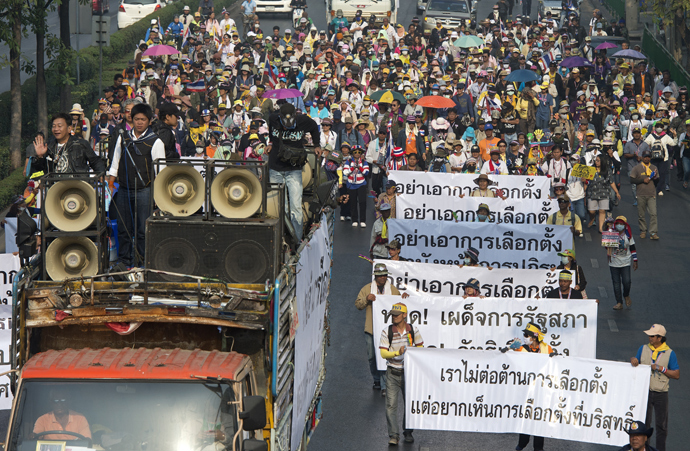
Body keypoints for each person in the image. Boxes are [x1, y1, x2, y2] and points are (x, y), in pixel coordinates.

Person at [109, 103, 165, 268]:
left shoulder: (155, 141)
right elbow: (115, 162)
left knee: (143, 230)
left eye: (143, 119)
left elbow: (161, 171)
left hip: (145, 190)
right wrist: (111, 183)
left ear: (149, 121)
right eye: (136, 119)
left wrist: (157, 195)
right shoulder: (123, 137)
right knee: (123, 228)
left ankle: (142, 262)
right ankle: (124, 261)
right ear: (131, 119)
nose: (139, 122)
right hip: (124, 189)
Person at [266, 103, 321, 240]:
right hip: (275, 168)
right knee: (280, 206)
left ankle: (296, 239)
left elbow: (314, 127)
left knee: (295, 207)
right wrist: (271, 143)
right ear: (280, 117)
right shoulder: (272, 118)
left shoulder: (303, 120)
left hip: (294, 169)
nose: (287, 126)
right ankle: (281, 238)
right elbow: (271, 131)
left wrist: (317, 144)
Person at [355, 263, 407, 398]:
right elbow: (358, 305)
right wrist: (367, 299)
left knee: (385, 356)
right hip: (371, 329)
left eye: (384, 275)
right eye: (380, 276)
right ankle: (376, 379)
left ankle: (385, 385)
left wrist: (405, 297)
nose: (383, 278)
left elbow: (401, 304)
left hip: (388, 331)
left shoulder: (393, 290)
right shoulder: (367, 289)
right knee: (372, 356)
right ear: (376, 277)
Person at [379, 302, 423, 446]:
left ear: (405, 315)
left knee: (409, 404)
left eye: (397, 315)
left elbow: (420, 348)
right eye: (393, 315)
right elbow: (383, 353)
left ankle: (408, 432)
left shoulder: (413, 331)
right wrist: (398, 352)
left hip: (409, 373)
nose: (394, 317)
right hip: (392, 372)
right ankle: (393, 435)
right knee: (391, 405)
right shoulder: (387, 331)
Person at [630, 324, 680, 451]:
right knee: (644, 425)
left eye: (652, 336)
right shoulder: (643, 348)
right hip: (645, 392)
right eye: (649, 335)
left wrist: (661, 369)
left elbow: (676, 374)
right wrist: (634, 360)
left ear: (660, 338)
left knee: (661, 426)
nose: (649, 338)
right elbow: (636, 362)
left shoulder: (669, 353)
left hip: (661, 394)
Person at [506, 322, 554, 451]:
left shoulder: (547, 349)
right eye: (524, 335)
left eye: (526, 335)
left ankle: (538, 447)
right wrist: (508, 349)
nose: (524, 337)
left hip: (541, 390)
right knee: (526, 417)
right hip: (525, 390)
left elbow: (554, 365)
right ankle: (522, 443)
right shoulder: (520, 348)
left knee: (539, 417)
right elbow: (508, 360)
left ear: (534, 337)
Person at [32, 113, 105, 175]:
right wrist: (40, 157)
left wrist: (101, 175)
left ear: (69, 128)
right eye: (53, 126)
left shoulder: (81, 144)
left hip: (77, 186)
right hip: (55, 188)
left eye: (59, 126)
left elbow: (96, 162)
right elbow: (39, 171)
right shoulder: (48, 146)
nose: (56, 129)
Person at [608, 216, 638, 310]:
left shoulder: (628, 235)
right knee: (616, 283)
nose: (619, 226)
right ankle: (619, 302)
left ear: (625, 225)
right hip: (614, 262)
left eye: (621, 224)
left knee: (627, 281)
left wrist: (635, 260)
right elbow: (606, 247)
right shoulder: (611, 234)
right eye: (618, 224)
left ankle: (626, 295)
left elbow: (632, 248)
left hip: (625, 262)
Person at [630, 150, 660, 240]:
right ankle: (643, 231)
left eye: (648, 157)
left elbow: (657, 181)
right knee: (641, 214)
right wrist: (643, 180)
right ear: (642, 157)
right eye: (645, 156)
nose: (647, 158)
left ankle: (653, 232)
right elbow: (632, 180)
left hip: (651, 194)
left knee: (653, 214)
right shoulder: (637, 168)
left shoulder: (654, 167)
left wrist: (654, 178)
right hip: (640, 194)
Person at [343, 145, 370, 228]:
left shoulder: (364, 161)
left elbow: (366, 172)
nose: (357, 154)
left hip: (361, 184)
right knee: (353, 203)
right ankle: (354, 220)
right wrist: (353, 168)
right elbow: (345, 172)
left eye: (359, 152)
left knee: (362, 202)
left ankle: (362, 220)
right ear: (352, 153)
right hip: (351, 185)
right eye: (355, 152)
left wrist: (360, 168)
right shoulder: (348, 161)